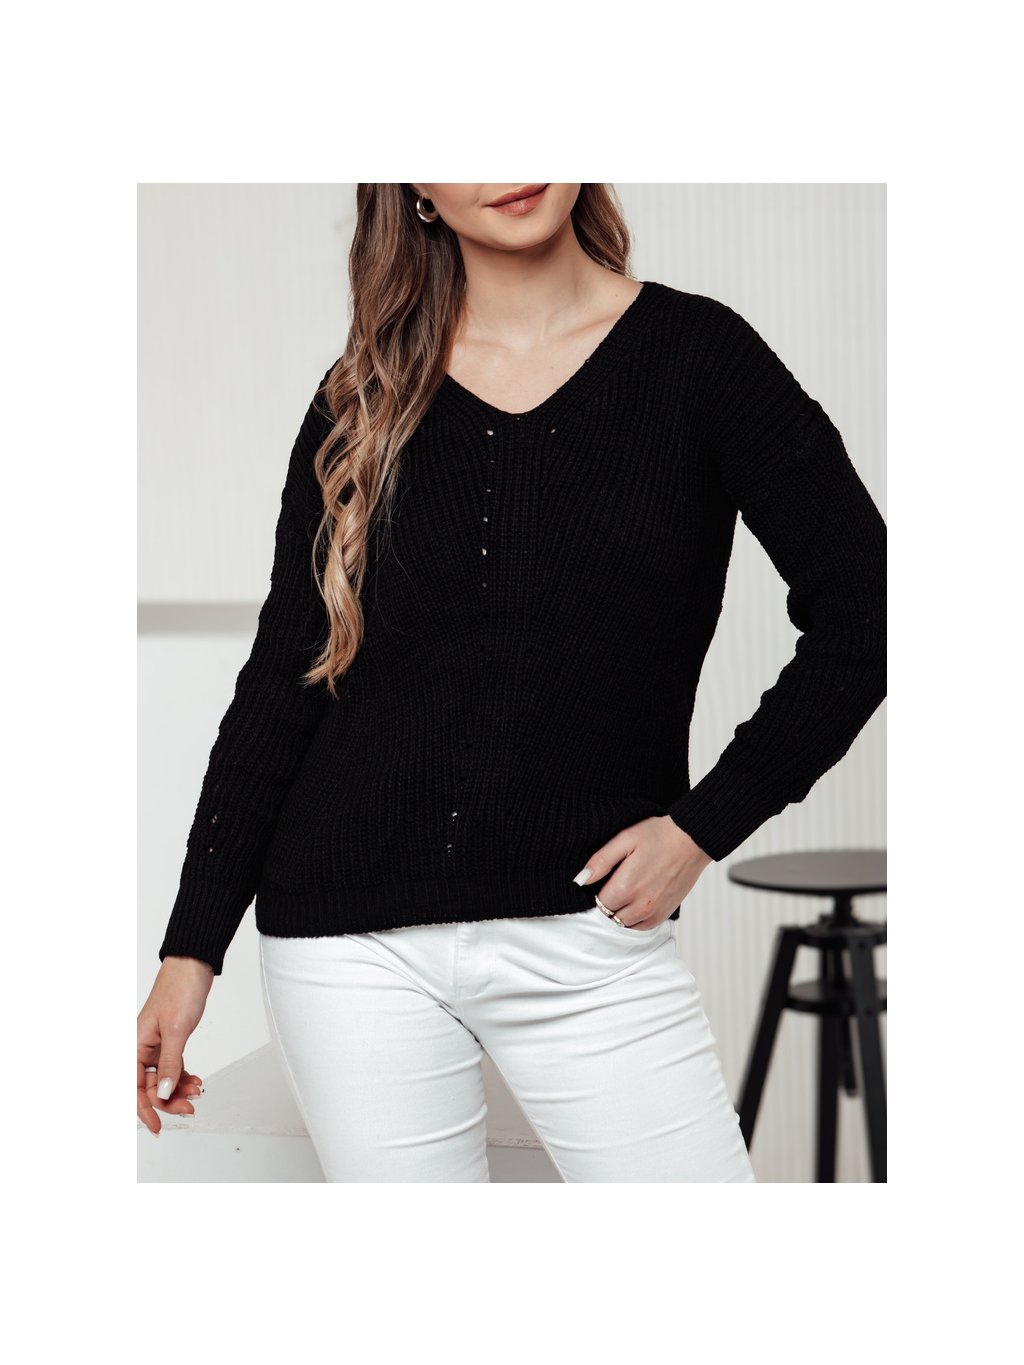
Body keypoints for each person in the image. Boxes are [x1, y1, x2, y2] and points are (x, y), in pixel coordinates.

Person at [137, 183, 886, 1182]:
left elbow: (870, 612)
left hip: (586, 936)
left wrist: (702, 826)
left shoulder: (700, 358)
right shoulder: (364, 393)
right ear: (416, 189)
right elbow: (283, 682)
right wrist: (190, 949)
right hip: (349, 949)